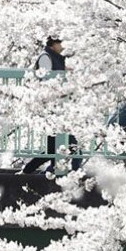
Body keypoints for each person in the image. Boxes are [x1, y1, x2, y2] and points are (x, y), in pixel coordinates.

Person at [22, 37, 81, 175]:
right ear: (53, 44)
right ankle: (65, 171)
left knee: (54, 147)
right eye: (60, 43)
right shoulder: (46, 58)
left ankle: (40, 170)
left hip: (58, 108)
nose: (63, 46)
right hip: (52, 109)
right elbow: (46, 81)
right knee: (70, 145)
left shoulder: (54, 58)